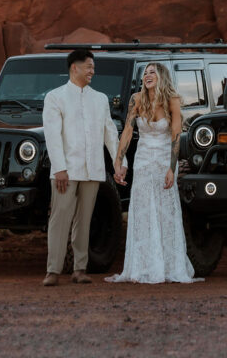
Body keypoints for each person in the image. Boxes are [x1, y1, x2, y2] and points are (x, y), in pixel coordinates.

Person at [106, 62, 200, 284]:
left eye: (152, 73)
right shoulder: (136, 99)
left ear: (161, 77)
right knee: (142, 211)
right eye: (145, 73)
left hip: (164, 161)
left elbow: (176, 135)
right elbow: (128, 131)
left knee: (165, 211)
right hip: (144, 161)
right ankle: (142, 265)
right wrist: (118, 162)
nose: (147, 76)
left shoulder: (172, 100)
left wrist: (172, 167)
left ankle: (169, 265)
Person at [42, 48, 124, 287]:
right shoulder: (55, 97)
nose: (92, 71)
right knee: (59, 219)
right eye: (89, 66)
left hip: (93, 170)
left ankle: (79, 269)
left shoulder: (99, 99)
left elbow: (110, 134)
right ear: (74, 67)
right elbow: (52, 136)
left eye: (93, 67)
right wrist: (59, 168)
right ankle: (53, 270)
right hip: (66, 170)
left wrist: (120, 163)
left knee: (85, 220)